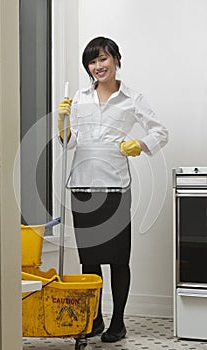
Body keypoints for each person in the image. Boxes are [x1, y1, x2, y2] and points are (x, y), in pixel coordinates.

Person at [58, 36, 168, 343]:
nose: (97, 66)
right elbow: (70, 143)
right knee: (89, 261)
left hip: (115, 188)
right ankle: (94, 320)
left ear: (116, 59)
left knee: (118, 259)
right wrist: (62, 125)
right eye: (92, 62)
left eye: (103, 59)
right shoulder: (79, 98)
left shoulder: (132, 98)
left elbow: (161, 132)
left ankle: (118, 323)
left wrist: (140, 144)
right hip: (81, 186)